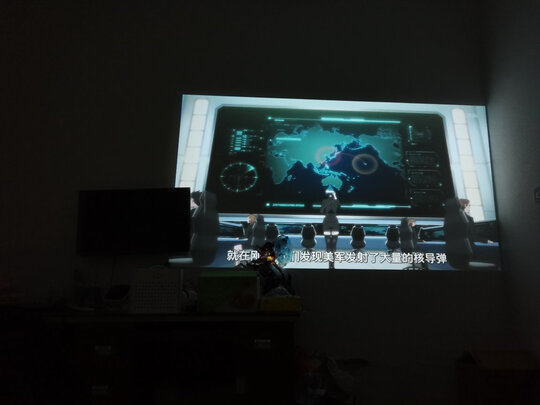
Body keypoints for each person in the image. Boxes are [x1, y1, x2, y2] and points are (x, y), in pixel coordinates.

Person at [321, 189, 340, 269]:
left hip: (334, 222)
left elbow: (337, 202)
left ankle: (332, 264)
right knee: (328, 245)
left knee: (334, 245)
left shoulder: (335, 201)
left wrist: (334, 196)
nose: (330, 196)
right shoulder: (324, 201)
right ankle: (330, 263)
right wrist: (326, 204)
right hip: (327, 222)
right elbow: (321, 211)